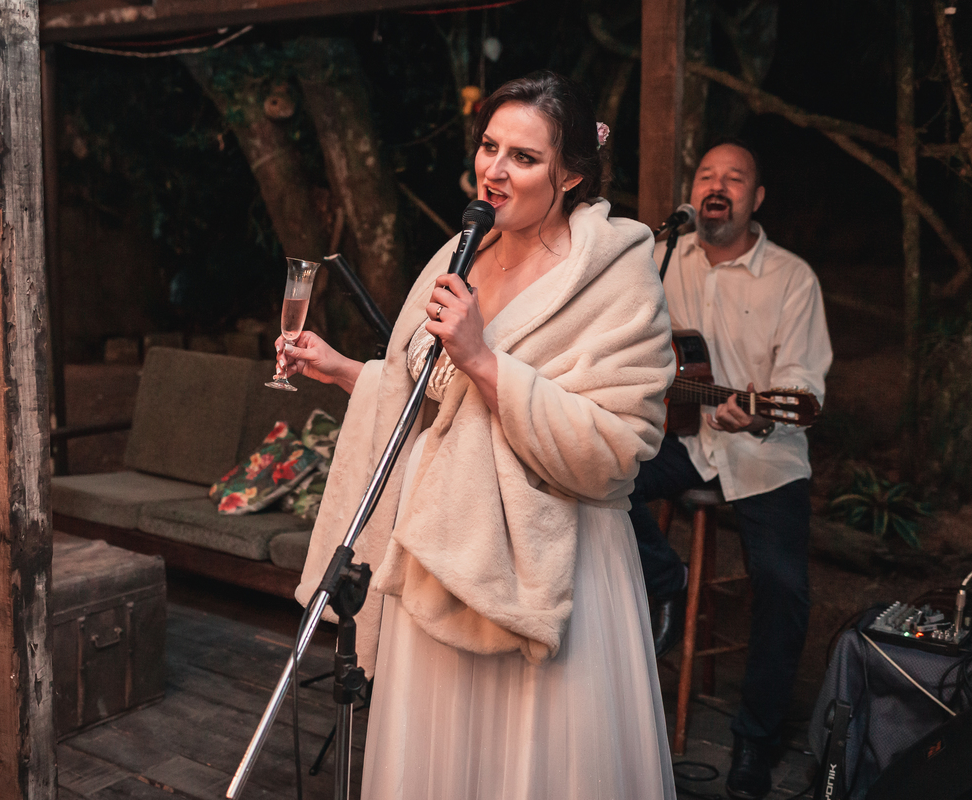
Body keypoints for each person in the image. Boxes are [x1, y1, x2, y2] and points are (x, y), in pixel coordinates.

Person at [278, 71, 678, 799]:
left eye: (523, 157)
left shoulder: (618, 280)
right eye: (489, 146)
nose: (494, 169)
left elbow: (616, 451)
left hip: (551, 570)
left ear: (572, 175)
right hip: (436, 551)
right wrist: (340, 369)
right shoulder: (460, 250)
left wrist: (483, 359)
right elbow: (426, 397)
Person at [633, 140, 833, 800]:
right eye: (707, 176)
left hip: (764, 453)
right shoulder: (661, 258)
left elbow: (801, 384)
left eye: (735, 178)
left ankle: (754, 739)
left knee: (783, 588)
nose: (718, 187)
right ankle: (667, 580)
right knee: (595, 478)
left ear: (757, 198)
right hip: (683, 437)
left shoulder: (792, 279)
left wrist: (760, 414)